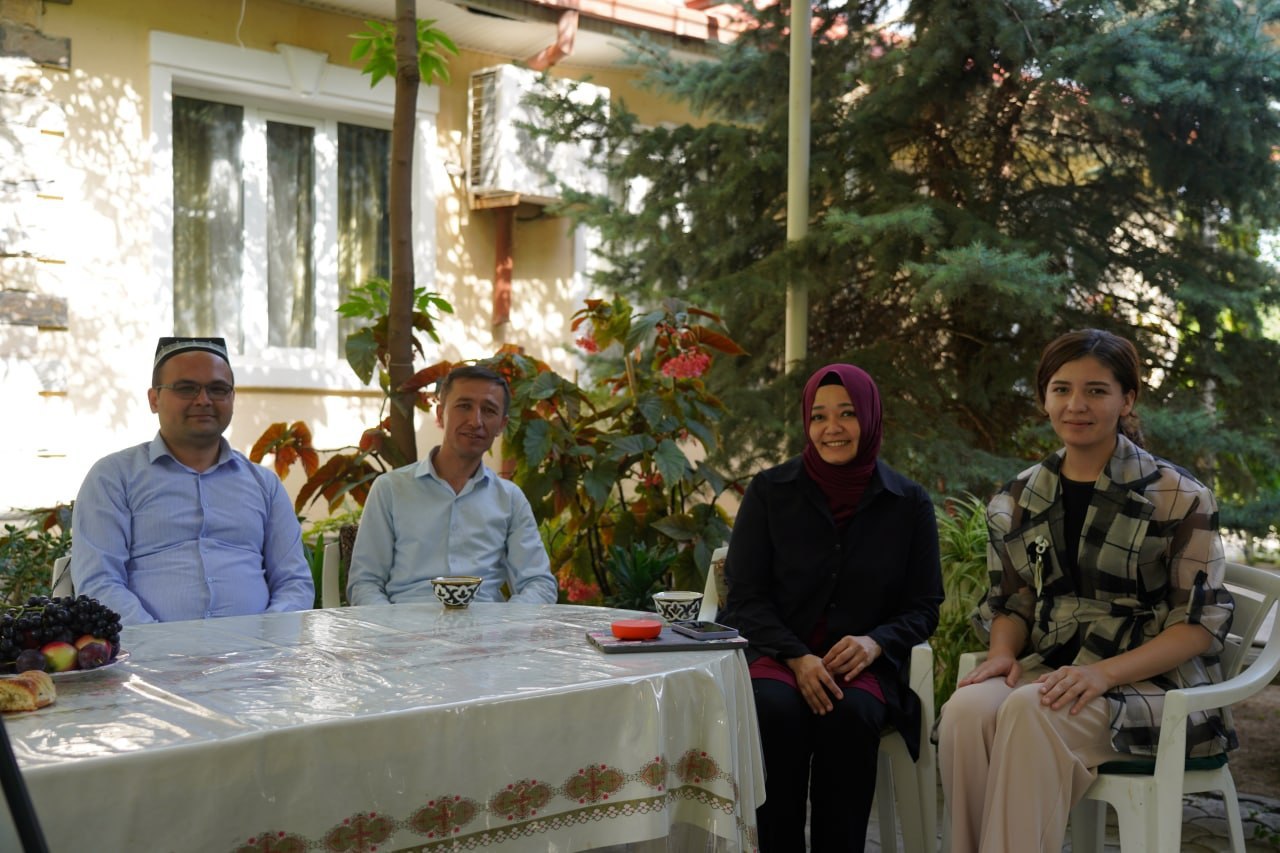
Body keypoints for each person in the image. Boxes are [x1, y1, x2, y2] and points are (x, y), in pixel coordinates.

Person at [937, 329, 1237, 853]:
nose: (1076, 405)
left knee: (1031, 710)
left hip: (1155, 688)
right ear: (1044, 398)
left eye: (1096, 391)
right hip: (1055, 669)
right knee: (966, 712)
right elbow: (1013, 601)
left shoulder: (1179, 497)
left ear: (1127, 399)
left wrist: (1101, 675)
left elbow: (1197, 627)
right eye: (1062, 389)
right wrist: (1003, 653)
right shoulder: (1017, 497)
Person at [715, 363, 943, 852]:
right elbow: (745, 596)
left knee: (850, 714)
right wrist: (797, 657)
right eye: (819, 416)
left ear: (870, 418)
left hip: (860, 665)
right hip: (777, 655)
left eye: (847, 413)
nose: (831, 428)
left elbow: (925, 606)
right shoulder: (770, 491)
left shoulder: (908, 503)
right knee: (771, 710)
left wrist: (875, 642)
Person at [71, 337, 315, 624]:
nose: (203, 400)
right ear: (153, 399)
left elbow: (294, 582)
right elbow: (99, 583)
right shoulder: (113, 478)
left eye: (218, 389)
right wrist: (160, 643)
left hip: (259, 650)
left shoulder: (264, 485)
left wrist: (266, 639)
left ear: (232, 398)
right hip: (146, 650)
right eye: (186, 388)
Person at [347, 365, 557, 605]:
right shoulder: (390, 490)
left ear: (502, 424)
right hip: (405, 622)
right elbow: (365, 583)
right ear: (440, 414)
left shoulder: (509, 499)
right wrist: (390, 626)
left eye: (489, 410)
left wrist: (508, 622)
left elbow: (539, 583)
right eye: (464, 406)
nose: (475, 421)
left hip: (486, 625)